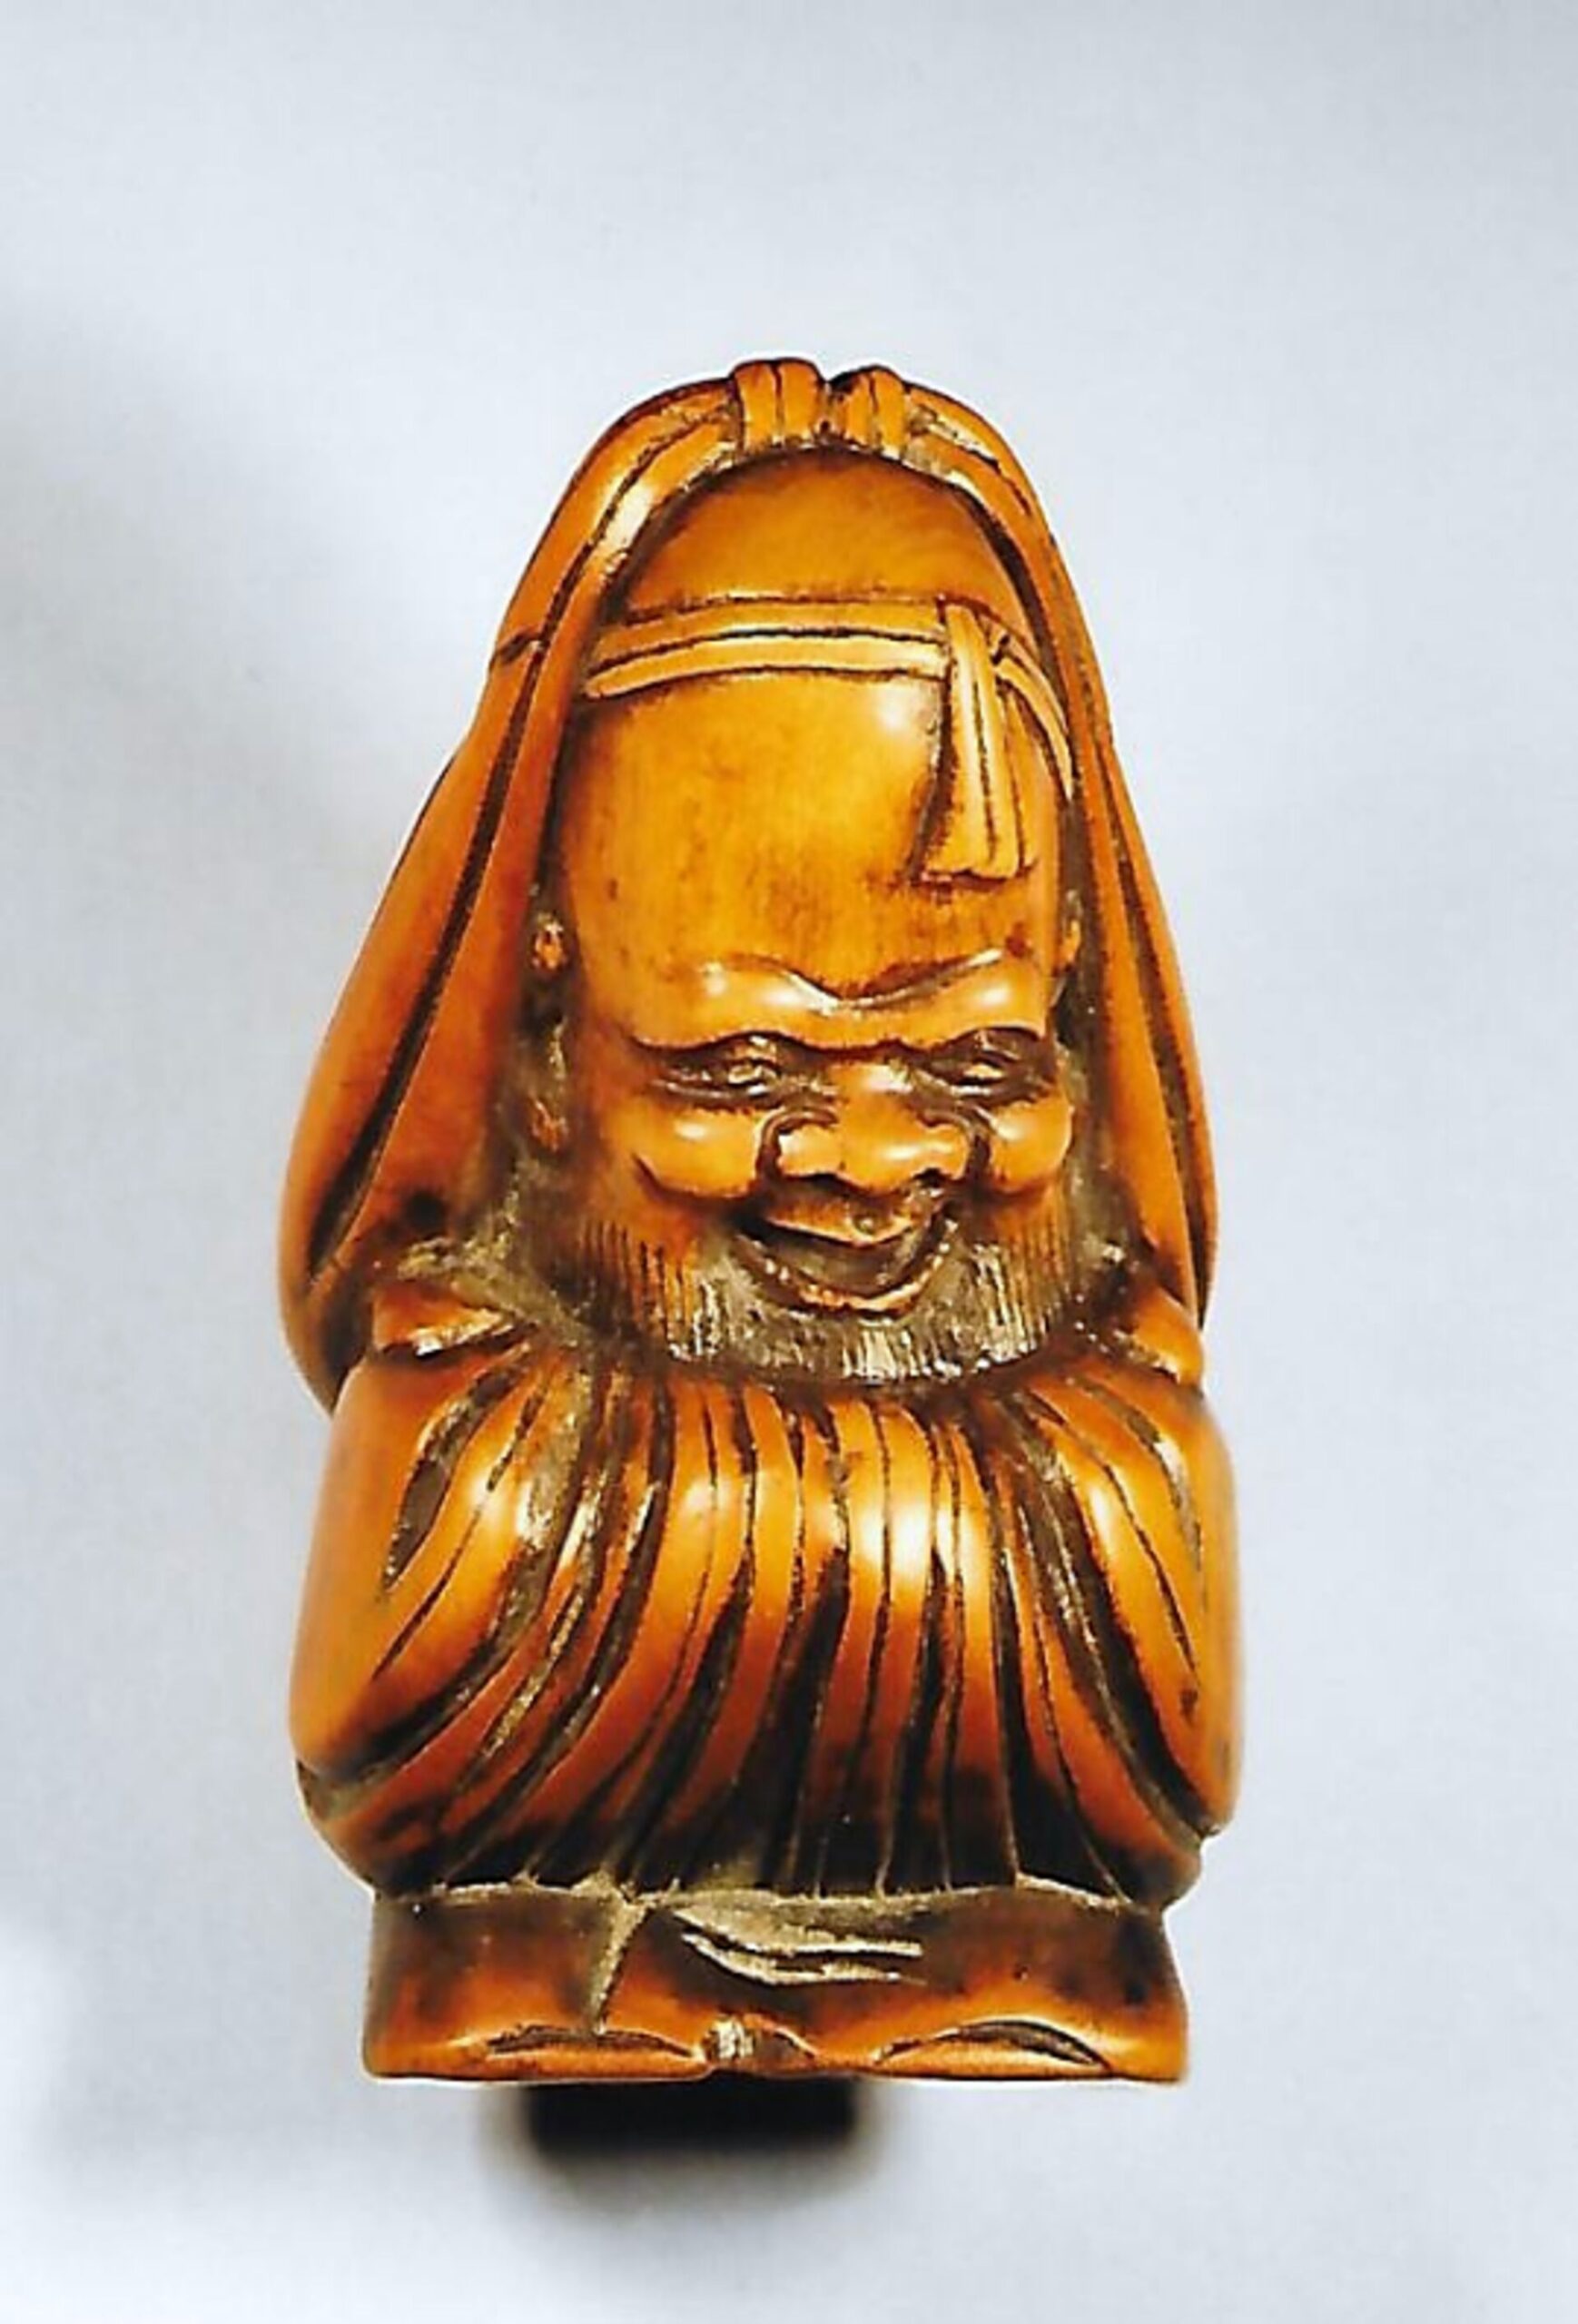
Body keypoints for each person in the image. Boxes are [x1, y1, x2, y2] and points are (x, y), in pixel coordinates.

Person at [281, 360, 1238, 2080]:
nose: (872, 1159)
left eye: (976, 1062)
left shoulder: (1114, 1471)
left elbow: (1179, 1774)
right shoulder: (471, 1468)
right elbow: (374, 1752)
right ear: (546, 1042)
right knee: (471, 1509)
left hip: (1034, 1925)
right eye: (742, 1066)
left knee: (1133, 1505)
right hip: (530, 1912)